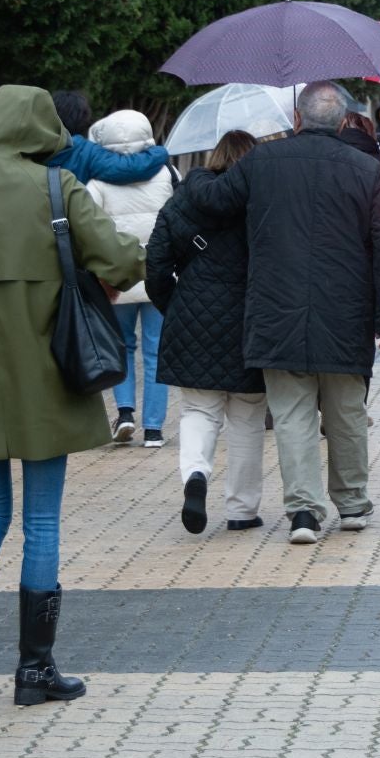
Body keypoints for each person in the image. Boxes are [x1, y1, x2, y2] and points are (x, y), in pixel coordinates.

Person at [0, 85, 145, 706]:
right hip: (45, 374)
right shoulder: (56, 188)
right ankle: (34, 670)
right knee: (41, 520)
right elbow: (117, 259)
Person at [185, 81, 380, 545]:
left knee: (291, 416)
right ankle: (352, 504)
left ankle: (304, 513)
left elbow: (214, 201)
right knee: (347, 413)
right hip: (347, 313)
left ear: (297, 120)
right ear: (345, 121)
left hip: (275, 309)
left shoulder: (262, 162)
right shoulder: (366, 169)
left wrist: (197, 176)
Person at [147, 130, 267, 534]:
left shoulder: (185, 197)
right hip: (253, 317)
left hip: (193, 314)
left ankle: (196, 476)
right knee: (248, 416)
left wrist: (175, 307)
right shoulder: (263, 200)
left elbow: (157, 264)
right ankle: (242, 510)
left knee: (199, 409)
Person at [86, 110, 177, 447]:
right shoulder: (166, 173)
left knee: (121, 345)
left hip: (116, 275)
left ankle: (124, 412)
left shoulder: (96, 181)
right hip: (158, 271)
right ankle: (154, 429)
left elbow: (90, 228)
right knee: (156, 350)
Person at [49, 89, 171, 185]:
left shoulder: (33, 146)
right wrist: (160, 152)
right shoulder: (86, 152)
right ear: (83, 118)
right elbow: (129, 168)